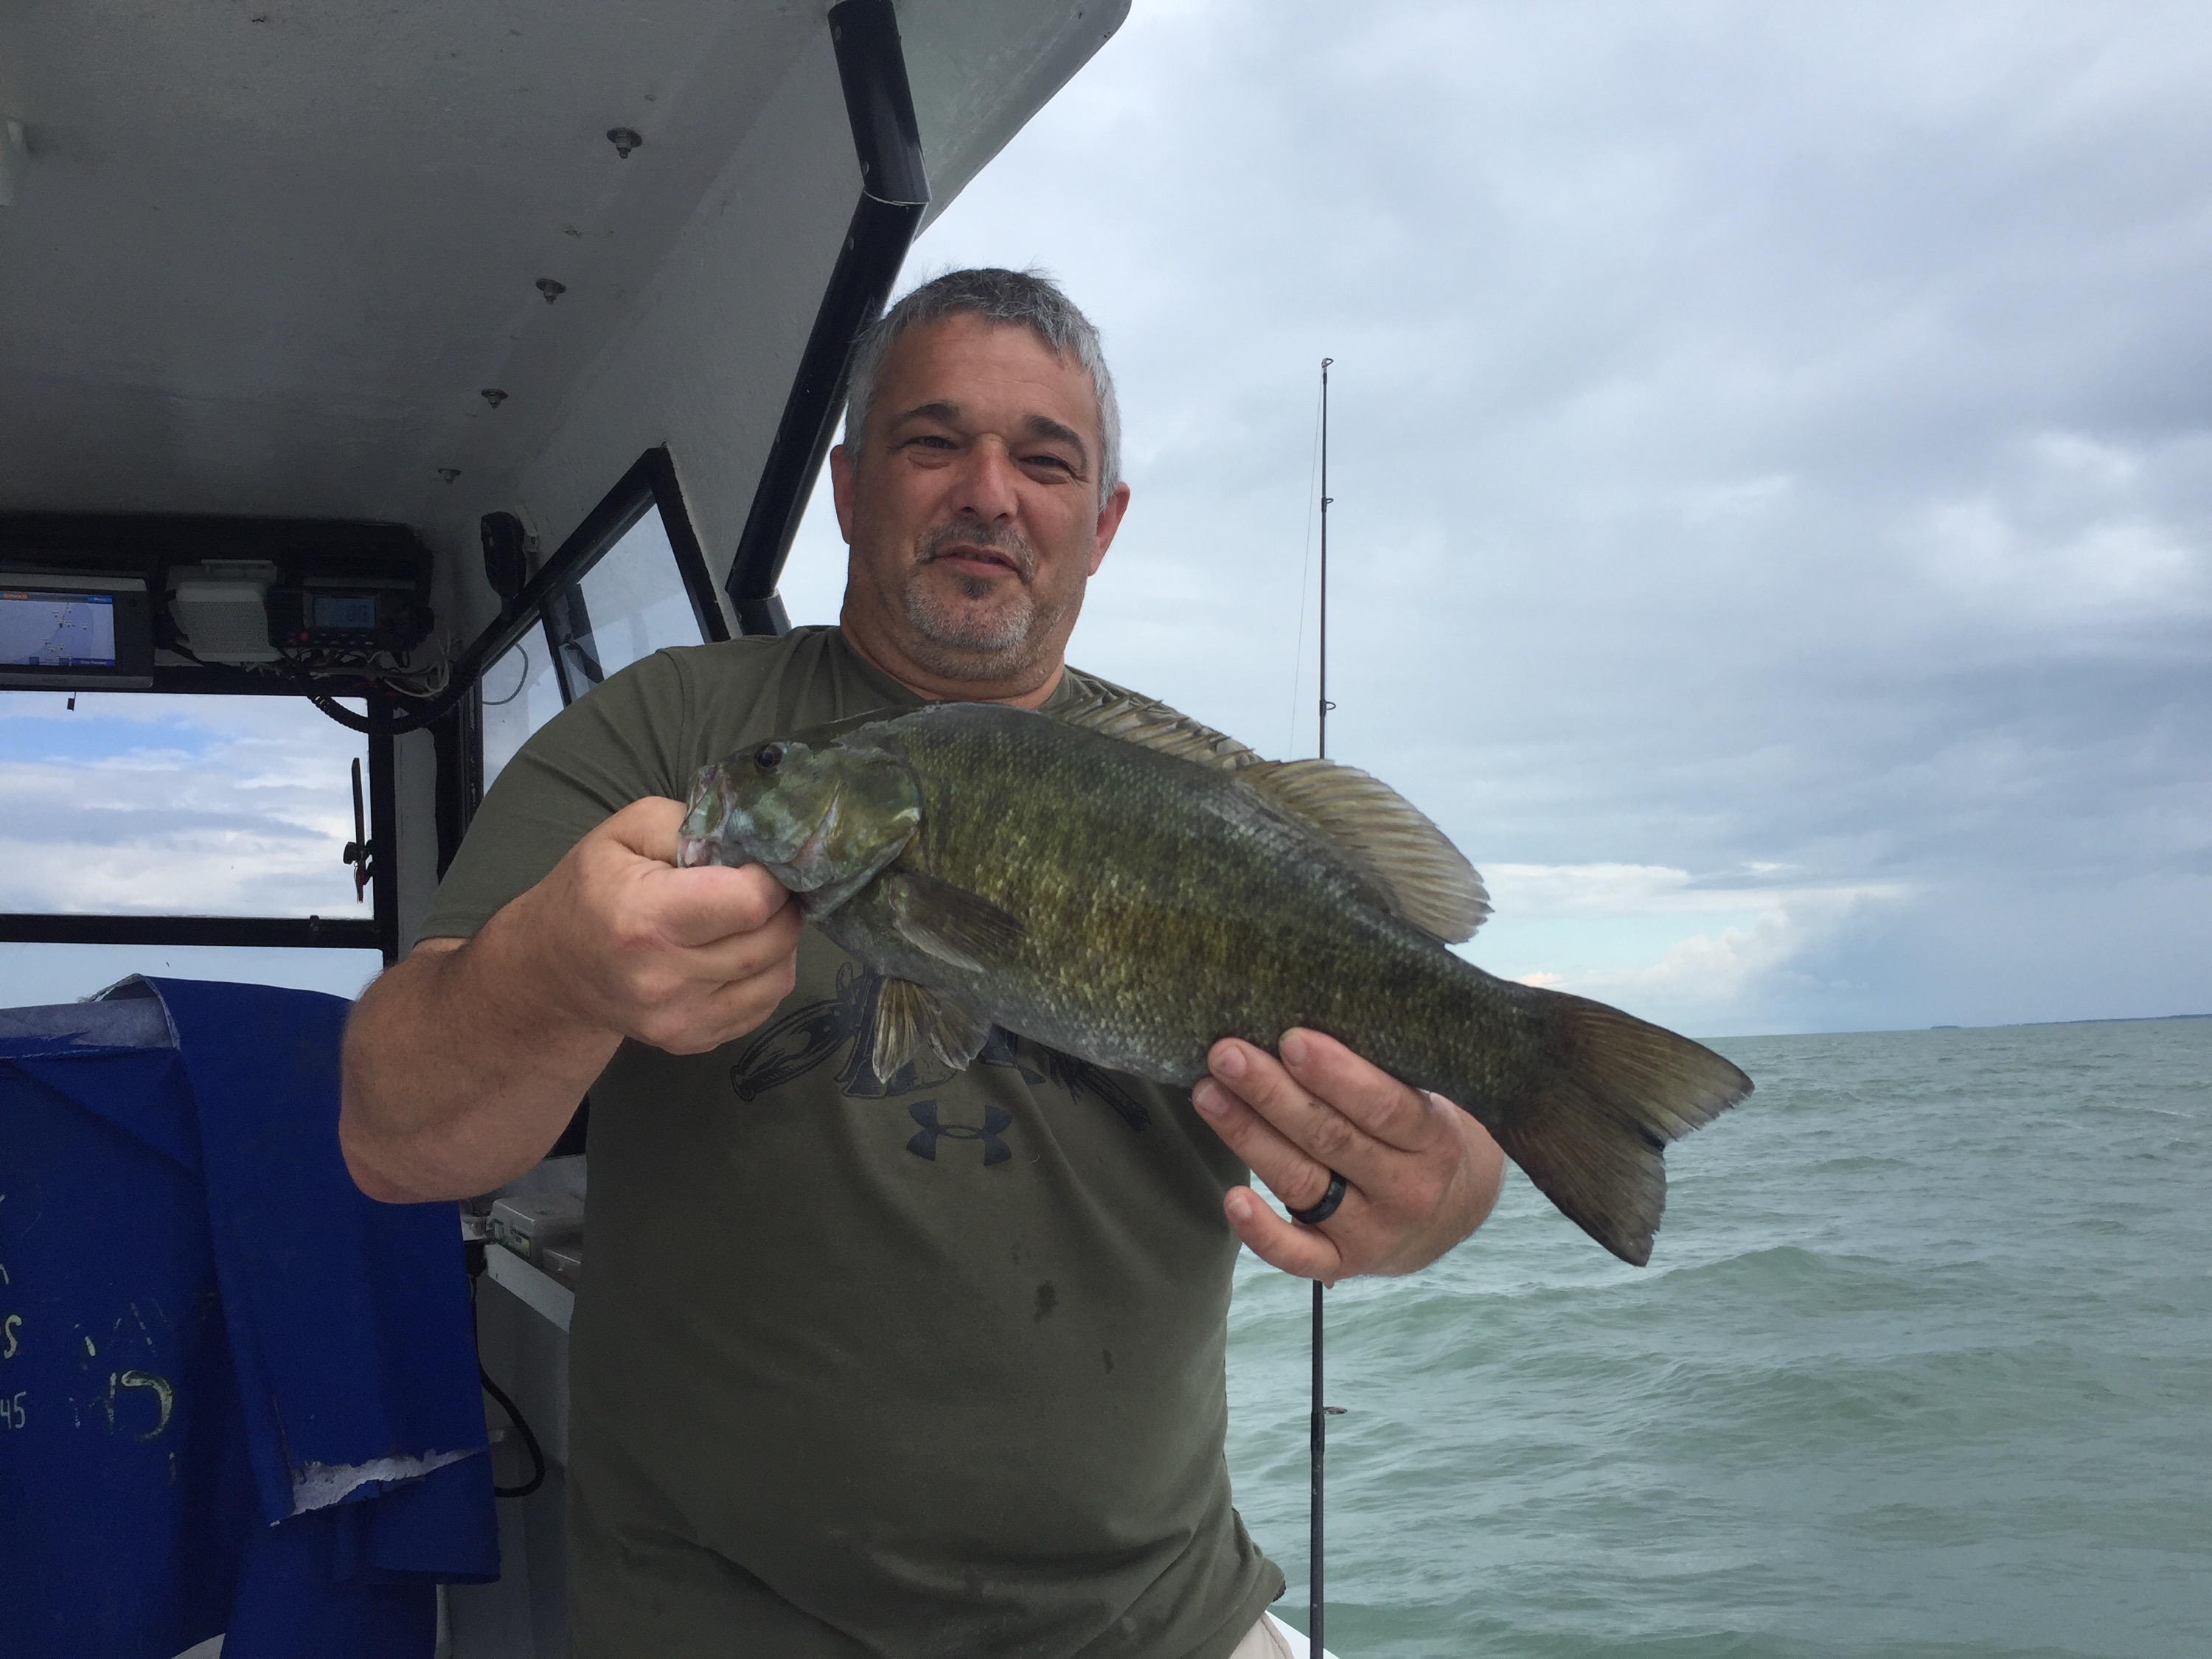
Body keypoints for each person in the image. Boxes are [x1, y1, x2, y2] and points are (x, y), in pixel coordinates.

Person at [341, 268, 1504, 1659]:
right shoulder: (669, 736)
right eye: (934, 441)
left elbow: (1433, 1099)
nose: (988, 493)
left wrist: (1450, 1185)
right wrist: (555, 974)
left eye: (1045, 459)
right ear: (847, 485)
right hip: (714, 1623)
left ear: (1103, 522)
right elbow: (391, 1134)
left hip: (1158, 1623)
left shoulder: (1214, 805)